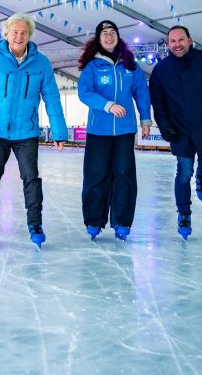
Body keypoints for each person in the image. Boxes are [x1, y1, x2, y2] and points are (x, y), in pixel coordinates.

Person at [0, 13, 68, 248]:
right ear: (6, 34)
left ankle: (35, 224)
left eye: (24, 32)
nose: (19, 36)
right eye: (15, 32)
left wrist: (59, 132)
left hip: (27, 133)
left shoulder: (41, 63)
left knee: (31, 179)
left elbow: (52, 99)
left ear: (29, 35)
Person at [148, 25, 202, 240]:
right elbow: (158, 102)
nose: (177, 44)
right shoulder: (161, 69)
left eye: (181, 40)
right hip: (181, 130)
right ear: (168, 44)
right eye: (172, 41)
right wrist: (164, 124)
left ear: (190, 40)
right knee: (183, 172)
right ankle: (184, 214)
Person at [77, 20, 152, 242]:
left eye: (112, 33)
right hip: (98, 130)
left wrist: (145, 119)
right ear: (98, 39)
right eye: (104, 33)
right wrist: (107, 105)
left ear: (118, 37)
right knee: (96, 175)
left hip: (125, 130)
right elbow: (84, 93)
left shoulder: (131, 65)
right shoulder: (92, 66)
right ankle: (94, 220)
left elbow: (141, 93)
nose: (109, 36)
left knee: (124, 176)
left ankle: (121, 221)